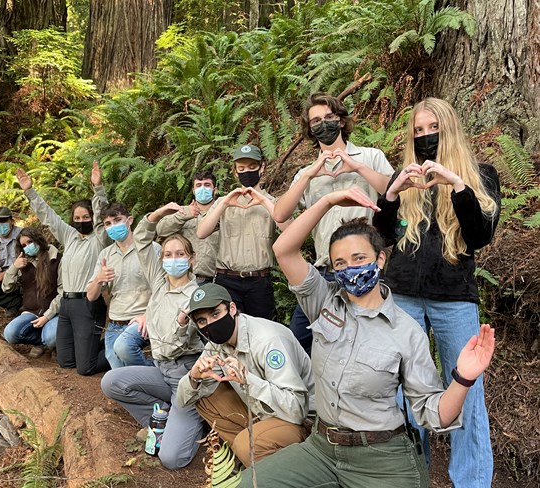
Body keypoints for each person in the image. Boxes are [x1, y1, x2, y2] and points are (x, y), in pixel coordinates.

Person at [238, 187, 496, 488]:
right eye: (340, 263)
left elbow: (434, 414)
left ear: (381, 259)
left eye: (359, 258)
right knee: (250, 484)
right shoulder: (323, 302)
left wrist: (463, 378)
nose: (350, 269)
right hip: (321, 449)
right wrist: (327, 200)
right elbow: (284, 250)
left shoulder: (405, 331)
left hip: (381, 457)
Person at [372, 97, 501, 487]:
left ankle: (473, 481)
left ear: (450, 130)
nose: (426, 137)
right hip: (403, 294)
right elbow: (382, 233)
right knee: (405, 392)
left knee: (467, 390)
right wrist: (392, 194)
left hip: (454, 299)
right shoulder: (405, 176)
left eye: (433, 128)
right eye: (418, 131)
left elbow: (481, 235)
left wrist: (457, 184)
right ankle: (411, 476)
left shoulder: (480, 174)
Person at [273, 93, 394, 354]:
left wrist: (357, 168)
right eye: (315, 121)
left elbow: (394, 192)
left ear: (340, 121)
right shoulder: (306, 173)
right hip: (325, 271)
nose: (323, 124)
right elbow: (280, 214)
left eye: (329, 117)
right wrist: (309, 175)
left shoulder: (370, 156)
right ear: (309, 129)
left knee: (368, 344)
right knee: (299, 343)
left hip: (366, 269)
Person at [100, 202, 204, 470]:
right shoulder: (159, 283)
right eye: (168, 254)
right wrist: (159, 213)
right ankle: (166, 420)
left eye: (180, 253)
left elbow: (181, 342)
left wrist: (182, 322)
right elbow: (143, 236)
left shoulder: (198, 295)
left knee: (171, 459)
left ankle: (192, 424)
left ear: (191, 259)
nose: (173, 259)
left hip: (186, 378)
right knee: (111, 382)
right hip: (161, 370)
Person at [176, 282, 315, 467]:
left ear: (232, 308)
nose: (210, 324)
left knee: (246, 444)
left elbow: (297, 410)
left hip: (304, 422)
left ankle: (280, 466)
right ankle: (254, 457)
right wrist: (194, 377)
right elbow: (183, 400)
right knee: (202, 396)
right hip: (264, 411)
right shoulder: (216, 345)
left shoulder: (268, 340)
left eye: (215, 313)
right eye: (202, 321)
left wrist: (249, 381)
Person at [16, 162, 110, 376]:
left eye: (86, 217)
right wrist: (30, 192)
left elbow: (102, 211)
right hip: (66, 304)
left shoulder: (100, 239)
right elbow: (49, 217)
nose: (81, 221)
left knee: (86, 368)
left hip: (88, 303)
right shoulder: (70, 237)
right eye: (77, 218)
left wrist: (98, 188)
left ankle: (115, 347)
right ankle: (94, 347)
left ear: (93, 219)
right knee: (66, 361)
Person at [197, 144, 289, 320]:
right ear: (235, 171)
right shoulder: (224, 202)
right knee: (231, 330)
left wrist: (263, 201)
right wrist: (223, 204)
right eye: (242, 168)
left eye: (252, 167)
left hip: (259, 281)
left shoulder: (273, 203)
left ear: (262, 167)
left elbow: (289, 229)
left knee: (261, 331)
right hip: (227, 279)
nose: (247, 172)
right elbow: (202, 232)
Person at [86, 202, 158, 368]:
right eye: (108, 224)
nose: (113, 226)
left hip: (142, 319)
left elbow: (164, 287)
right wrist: (99, 279)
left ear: (130, 220)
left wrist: (149, 315)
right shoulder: (106, 255)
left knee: (124, 349)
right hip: (115, 322)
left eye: (118, 220)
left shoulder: (151, 249)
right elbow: (91, 296)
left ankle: (158, 375)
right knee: (118, 372)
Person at [2, 227, 61, 357]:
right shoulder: (23, 262)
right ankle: (41, 342)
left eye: (30, 242)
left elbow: (63, 292)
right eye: (24, 245)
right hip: (31, 312)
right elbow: (6, 288)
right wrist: (14, 267)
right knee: (10, 334)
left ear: (38, 240)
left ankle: (52, 342)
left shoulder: (56, 258)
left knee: (51, 337)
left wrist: (47, 316)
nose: (28, 247)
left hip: (55, 312)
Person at [157, 170, 220, 285]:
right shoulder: (182, 211)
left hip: (216, 280)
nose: (202, 188)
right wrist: (185, 214)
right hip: (186, 279)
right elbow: (161, 230)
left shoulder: (223, 212)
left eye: (207, 185)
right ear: (193, 190)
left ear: (214, 190)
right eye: (198, 185)